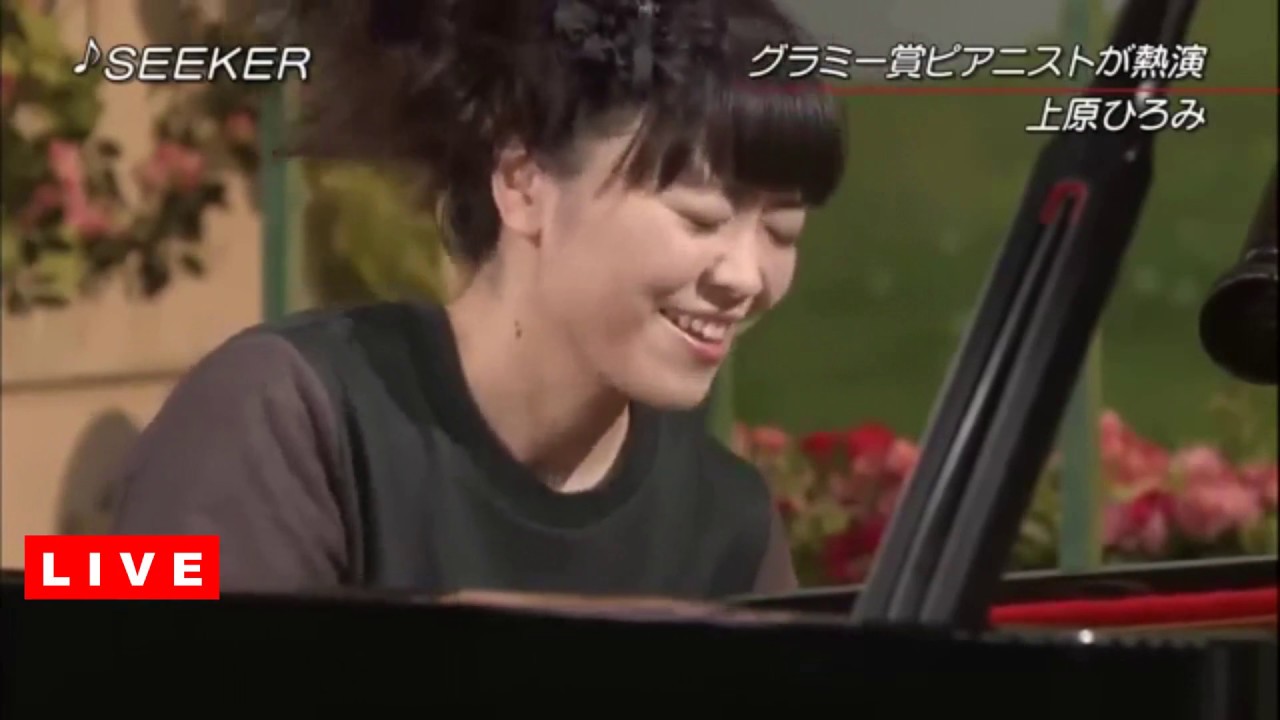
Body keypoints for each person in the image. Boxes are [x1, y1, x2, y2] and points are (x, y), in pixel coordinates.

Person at [111, 0, 846, 599]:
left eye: (782, 231)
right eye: (701, 219)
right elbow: (85, 599)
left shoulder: (726, 520)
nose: (746, 276)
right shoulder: (281, 413)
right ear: (523, 182)